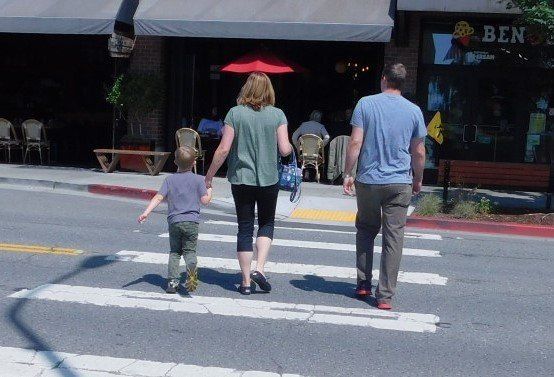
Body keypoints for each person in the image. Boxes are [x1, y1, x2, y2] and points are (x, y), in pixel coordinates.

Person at [343, 63, 427, 310]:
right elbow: (419, 151)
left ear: (383, 79)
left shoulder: (365, 104)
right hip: (400, 181)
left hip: (368, 180)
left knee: (366, 229)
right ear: (402, 83)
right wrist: (418, 178)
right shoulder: (414, 111)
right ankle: (385, 296)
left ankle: (363, 283)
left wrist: (348, 173)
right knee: (394, 237)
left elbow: (355, 143)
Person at [204, 72, 292, 295]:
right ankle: (259, 269)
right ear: (269, 90)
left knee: (244, 227)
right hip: (269, 178)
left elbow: (223, 149)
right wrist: (291, 148)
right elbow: (284, 150)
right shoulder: (278, 115)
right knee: (266, 223)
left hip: (241, 178)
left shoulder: (235, 113)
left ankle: (244, 282)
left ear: (246, 89)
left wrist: (209, 176)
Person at [138, 146, 212, 294]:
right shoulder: (199, 180)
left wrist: (146, 212)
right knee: (189, 251)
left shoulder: (169, 180)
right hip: (192, 222)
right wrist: (209, 189)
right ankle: (191, 274)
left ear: (175, 162)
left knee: (175, 252)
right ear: (194, 163)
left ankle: (172, 282)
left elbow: (158, 197)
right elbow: (205, 201)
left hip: (174, 222)